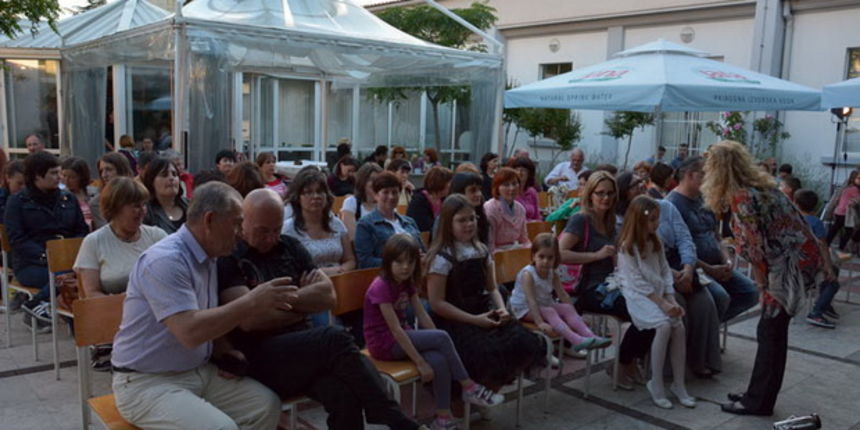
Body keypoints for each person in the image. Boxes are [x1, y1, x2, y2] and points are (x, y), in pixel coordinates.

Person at [218, 189, 424, 430]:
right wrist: (304, 303)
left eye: (276, 229)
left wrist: (277, 300)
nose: (272, 237)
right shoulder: (230, 257)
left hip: (304, 349)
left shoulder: (290, 247)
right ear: (244, 222)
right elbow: (250, 319)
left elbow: (328, 297)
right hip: (262, 356)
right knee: (334, 338)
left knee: (343, 393)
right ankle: (393, 417)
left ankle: (386, 414)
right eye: (263, 231)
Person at [109, 182, 284, 430]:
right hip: (145, 382)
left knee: (266, 406)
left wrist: (223, 350)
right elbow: (189, 332)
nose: (241, 232)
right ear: (210, 220)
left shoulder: (209, 255)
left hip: (197, 371)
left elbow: (205, 316)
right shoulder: (166, 260)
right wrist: (252, 302)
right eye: (236, 223)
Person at [702, 141, 822, 417]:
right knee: (772, 332)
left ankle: (758, 402)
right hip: (799, 260)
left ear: (719, 170)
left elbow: (754, 248)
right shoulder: (764, 188)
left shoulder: (742, 197)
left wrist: (762, 283)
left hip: (787, 268)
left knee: (770, 332)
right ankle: (757, 394)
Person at [364, 234, 503, 430]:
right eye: (399, 261)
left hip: (402, 337)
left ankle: (442, 419)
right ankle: (469, 386)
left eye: (410, 262)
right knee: (441, 338)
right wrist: (420, 362)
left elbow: (422, 315)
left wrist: (437, 341)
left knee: (439, 359)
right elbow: (395, 329)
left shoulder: (407, 283)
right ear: (388, 262)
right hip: (383, 343)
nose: (405, 267)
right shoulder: (381, 287)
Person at [426, 194, 543, 390]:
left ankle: (490, 389)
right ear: (448, 223)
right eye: (461, 220)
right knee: (483, 352)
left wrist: (501, 308)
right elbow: (437, 303)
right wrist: (475, 320)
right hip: (454, 320)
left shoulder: (481, 250)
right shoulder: (442, 257)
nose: (469, 224)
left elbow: (492, 287)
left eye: (471, 218)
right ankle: (468, 398)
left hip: (482, 311)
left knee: (522, 340)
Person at [616, 171, 722, 379]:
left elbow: (684, 239)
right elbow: (639, 271)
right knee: (675, 313)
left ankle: (699, 361)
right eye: (634, 185)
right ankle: (664, 371)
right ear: (624, 193)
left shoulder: (665, 207)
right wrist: (672, 288)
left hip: (676, 270)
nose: (640, 186)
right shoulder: (626, 221)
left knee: (708, 303)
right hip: (647, 282)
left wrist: (688, 271)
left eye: (642, 182)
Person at [558, 171, 656, 389]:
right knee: (645, 311)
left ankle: (627, 360)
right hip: (590, 289)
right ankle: (623, 363)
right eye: (600, 193)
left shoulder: (613, 222)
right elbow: (558, 253)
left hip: (614, 283)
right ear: (590, 195)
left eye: (610, 193)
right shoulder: (581, 219)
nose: (605, 198)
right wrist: (596, 255)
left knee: (656, 308)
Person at [617, 195, 696, 409]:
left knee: (678, 326)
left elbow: (664, 271)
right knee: (663, 326)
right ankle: (657, 382)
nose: (656, 223)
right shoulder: (627, 247)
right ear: (639, 220)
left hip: (659, 293)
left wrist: (670, 299)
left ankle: (679, 385)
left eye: (657, 218)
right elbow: (636, 282)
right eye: (652, 219)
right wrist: (662, 304)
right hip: (638, 296)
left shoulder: (655, 242)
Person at [666, 157, 758, 323]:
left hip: (717, 265)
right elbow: (677, 250)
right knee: (721, 297)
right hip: (692, 268)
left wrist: (728, 261)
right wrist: (710, 269)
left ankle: (709, 326)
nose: (710, 180)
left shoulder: (704, 201)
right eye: (704, 175)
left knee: (750, 292)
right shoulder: (672, 205)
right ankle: (703, 332)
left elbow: (716, 234)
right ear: (689, 175)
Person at [6, 152, 89, 331]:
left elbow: (81, 230)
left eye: (59, 172)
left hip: (68, 262)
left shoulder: (68, 199)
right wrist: (46, 256)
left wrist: (69, 253)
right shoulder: (17, 202)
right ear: (37, 175)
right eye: (53, 173)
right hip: (32, 264)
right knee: (69, 281)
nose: (59, 177)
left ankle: (36, 303)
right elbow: (17, 239)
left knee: (75, 277)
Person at [510, 233, 610, 351]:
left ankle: (591, 337)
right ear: (533, 256)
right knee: (550, 311)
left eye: (550, 257)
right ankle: (576, 340)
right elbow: (531, 300)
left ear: (555, 258)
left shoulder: (553, 274)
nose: (545, 261)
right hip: (524, 308)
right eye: (541, 257)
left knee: (566, 308)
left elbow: (563, 295)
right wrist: (540, 323)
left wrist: (576, 315)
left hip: (543, 305)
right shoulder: (528, 275)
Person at [75, 177, 167, 297]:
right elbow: (92, 293)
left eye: (144, 204)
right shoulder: (93, 242)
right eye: (136, 206)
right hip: (112, 311)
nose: (143, 211)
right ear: (115, 208)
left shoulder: (157, 236)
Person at [282, 168, 356, 276]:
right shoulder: (288, 230)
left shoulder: (337, 224)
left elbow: (350, 260)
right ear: (298, 197)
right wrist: (323, 274)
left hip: (339, 281)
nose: (316, 196)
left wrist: (341, 270)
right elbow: (289, 269)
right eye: (308, 192)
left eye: (320, 191)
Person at [356, 172, 423, 268]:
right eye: (386, 192)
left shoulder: (410, 222)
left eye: (395, 192)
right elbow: (365, 261)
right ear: (376, 195)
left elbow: (423, 251)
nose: (391, 197)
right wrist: (398, 263)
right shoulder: (365, 224)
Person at [795, 189, 840, 329]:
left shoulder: (791, 219)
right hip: (807, 268)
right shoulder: (816, 223)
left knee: (832, 271)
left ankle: (823, 303)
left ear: (795, 203)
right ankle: (818, 311)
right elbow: (822, 245)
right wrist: (827, 267)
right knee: (833, 280)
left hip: (791, 266)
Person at [484, 167, 530, 251]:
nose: (511, 188)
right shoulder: (490, 209)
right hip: (497, 257)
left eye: (514, 183)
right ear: (497, 188)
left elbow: (524, 240)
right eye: (506, 185)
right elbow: (490, 245)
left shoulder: (520, 209)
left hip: (516, 252)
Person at [142, 157, 189, 235]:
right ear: (151, 181)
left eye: (174, 174)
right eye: (164, 175)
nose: (171, 178)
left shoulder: (191, 206)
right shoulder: (145, 212)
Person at [90, 152, 134, 230]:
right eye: (101, 171)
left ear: (122, 170)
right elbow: (105, 230)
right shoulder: (97, 203)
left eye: (109, 170)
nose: (104, 175)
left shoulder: (138, 197)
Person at [341, 162, 381, 241]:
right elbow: (352, 237)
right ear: (363, 181)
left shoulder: (385, 204)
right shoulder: (351, 203)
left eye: (378, 180)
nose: (375, 183)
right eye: (371, 180)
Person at [407, 166, 453, 233]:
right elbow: (423, 226)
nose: (451, 185)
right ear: (440, 183)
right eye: (449, 182)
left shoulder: (445, 200)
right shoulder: (419, 202)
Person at [825, 170, 860, 251]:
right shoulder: (854, 189)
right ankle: (841, 247)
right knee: (848, 231)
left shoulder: (847, 187)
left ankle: (828, 243)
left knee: (836, 228)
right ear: (853, 179)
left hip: (839, 211)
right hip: (845, 213)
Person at [61, 156, 95, 231]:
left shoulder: (94, 194)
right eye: (64, 176)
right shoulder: (60, 196)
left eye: (72, 177)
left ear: (82, 177)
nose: (66, 181)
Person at [507, 156, 541, 221]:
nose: (519, 173)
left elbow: (537, 216)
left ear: (529, 173)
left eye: (523, 170)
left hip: (532, 229)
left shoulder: (532, 192)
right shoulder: (509, 191)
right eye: (517, 169)